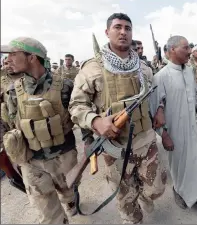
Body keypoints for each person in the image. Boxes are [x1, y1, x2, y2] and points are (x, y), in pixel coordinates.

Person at [68, 13, 166, 224]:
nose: (123, 32)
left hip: (145, 139)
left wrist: (159, 108)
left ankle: (144, 196)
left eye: (127, 28)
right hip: (115, 146)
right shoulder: (92, 68)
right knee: (125, 198)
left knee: (156, 188)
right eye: (118, 27)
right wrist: (96, 122)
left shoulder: (143, 68)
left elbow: (157, 96)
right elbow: (76, 105)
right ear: (107, 32)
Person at [1, 37, 79, 224]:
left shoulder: (65, 87)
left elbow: (80, 116)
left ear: (32, 58)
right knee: (49, 216)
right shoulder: (12, 91)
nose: (7, 59)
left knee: (69, 194)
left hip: (64, 156)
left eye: (13, 54)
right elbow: (9, 124)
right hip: (32, 162)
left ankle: (71, 202)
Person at [150, 35, 197, 219]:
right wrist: (164, 135)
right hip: (175, 131)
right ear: (171, 50)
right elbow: (155, 110)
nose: (189, 51)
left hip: (195, 126)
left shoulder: (189, 71)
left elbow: (193, 95)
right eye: (185, 48)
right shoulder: (160, 77)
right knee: (179, 165)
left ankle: (196, 196)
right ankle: (179, 191)